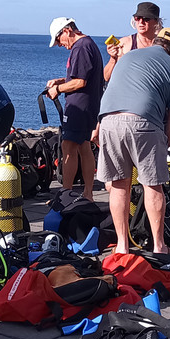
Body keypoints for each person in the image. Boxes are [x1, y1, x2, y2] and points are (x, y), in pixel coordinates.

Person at [96, 28, 170, 255]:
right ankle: (159, 246)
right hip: (143, 123)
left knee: (118, 186)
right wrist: (162, 146)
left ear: (155, 43)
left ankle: (121, 247)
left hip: (108, 120)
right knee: (152, 185)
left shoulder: (127, 57)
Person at [46, 17, 104, 201]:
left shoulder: (81, 47)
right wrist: (61, 80)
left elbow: (80, 81)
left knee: (68, 147)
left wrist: (57, 89)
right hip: (89, 105)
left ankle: (65, 194)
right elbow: (81, 75)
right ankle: (87, 193)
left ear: (67, 31)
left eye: (58, 40)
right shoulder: (89, 44)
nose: (59, 45)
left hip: (79, 106)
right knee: (84, 146)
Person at [104, 2, 164, 81]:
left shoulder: (164, 45)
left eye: (146, 19)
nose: (141, 22)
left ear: (156, 21)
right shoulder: (125, 44)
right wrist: (113, 58)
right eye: (137, 18)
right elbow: (106, 77)